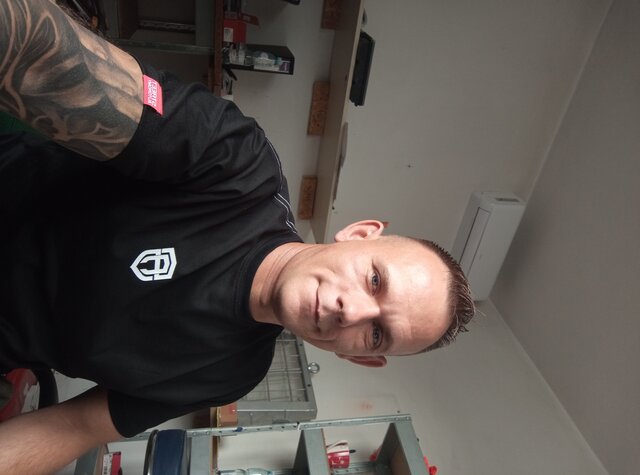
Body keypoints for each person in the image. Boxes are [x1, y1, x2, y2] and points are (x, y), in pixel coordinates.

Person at [0, 0, 475, 473]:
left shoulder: (232, 374)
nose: (352, 311)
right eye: (374, 281)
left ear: (360, 358)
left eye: (376, 334)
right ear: (358, 235)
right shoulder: (238, 165)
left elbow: (73, 428)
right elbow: (50, 62)